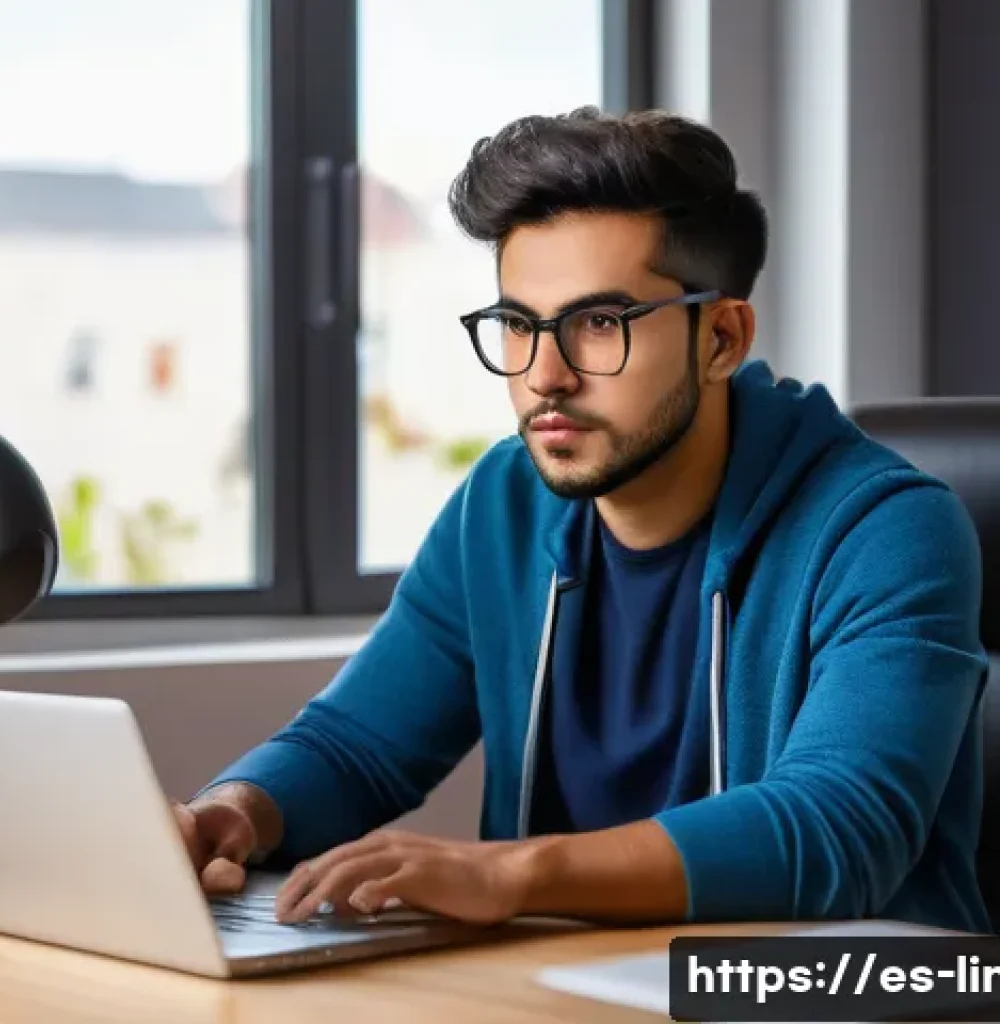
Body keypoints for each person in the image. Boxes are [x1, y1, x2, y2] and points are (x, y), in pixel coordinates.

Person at [174, 107, 991, 934]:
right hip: (577, 986)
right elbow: (357, 745)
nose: (546, 376)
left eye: (601, 324)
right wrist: (233, 810)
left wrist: (512, 873)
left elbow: (836, 834)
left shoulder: (887, 529)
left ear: (721, 338)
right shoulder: (501, 505)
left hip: (848, 997)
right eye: (520, 326)